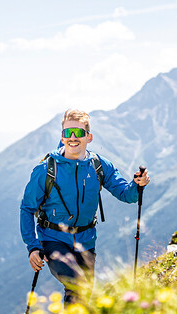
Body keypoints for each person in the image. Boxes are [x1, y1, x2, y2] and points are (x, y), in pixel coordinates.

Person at [20, 108, 149, 303]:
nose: (73, 137)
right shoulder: (46, 169)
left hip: (86, 240)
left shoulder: (99, 165)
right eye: (67, 133)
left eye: (79, 132)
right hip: (53, 239)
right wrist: (33, 246)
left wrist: (137, 185)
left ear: (89, 137)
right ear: (62, 137)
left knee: (83, 294)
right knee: (77, 284)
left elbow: (126, 194)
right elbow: (27, 208)